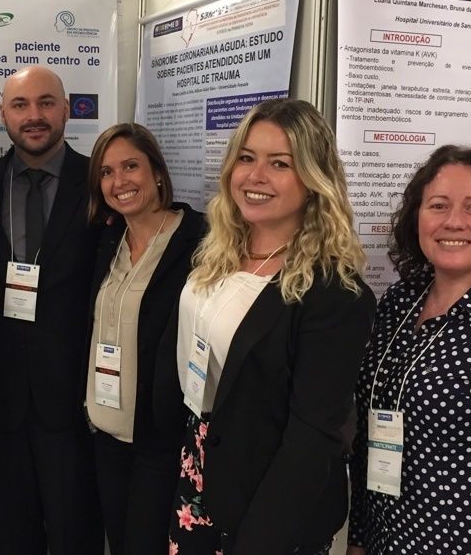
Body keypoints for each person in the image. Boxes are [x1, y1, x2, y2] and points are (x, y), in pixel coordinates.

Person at [154, 98, 377, 555]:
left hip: (268, 503)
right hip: (200, 470)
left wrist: (260, 541)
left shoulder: (334, 292)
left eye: (279, 163)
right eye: (246, 158)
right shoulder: (217, 253)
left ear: (313, 179)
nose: (255, 176)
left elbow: (313, 437)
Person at [0, 66, 104, 554]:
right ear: (3, 114)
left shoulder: (99, 182)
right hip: (2, 394)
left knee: (77, 536)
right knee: (12, 538)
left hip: (75, 397)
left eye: (46, 102)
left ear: (67, 109)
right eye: (20, 105)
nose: (34, 115)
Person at [347, 144, 471, 555]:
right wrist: (359, 538)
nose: (453, 221)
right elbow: (370, 434)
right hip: (386, 534)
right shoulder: (399, 301)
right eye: (438, 205)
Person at [85, 123, 203, 555]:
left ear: (156, 171)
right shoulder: (107, 240)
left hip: (159, 435)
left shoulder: (198, 241)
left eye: (130, 166)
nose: (119, 181)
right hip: (105, 431)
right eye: (107, 172)